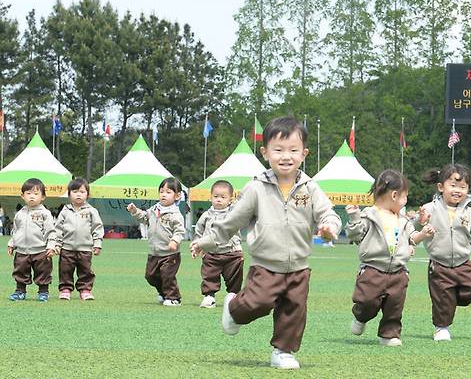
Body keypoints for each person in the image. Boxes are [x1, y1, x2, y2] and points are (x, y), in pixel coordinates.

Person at [190, 116, 341, 370]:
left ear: (304, 153)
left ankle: (283, 351)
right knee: (256, 304)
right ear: (265, 152)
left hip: (299, 267)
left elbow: (328, 214)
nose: (286, 156)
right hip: (265, 265)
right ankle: (234, 308)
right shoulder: (255, 188)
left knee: (294, 311)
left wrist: (329, 229)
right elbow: (231, 223)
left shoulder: (310, 188)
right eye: (278, 150)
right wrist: (205, 242)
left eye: (293, 150)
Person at [415, 164, 471, 341]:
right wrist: (421, 221)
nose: (457, 190)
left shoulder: (468, 212)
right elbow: (414, 227)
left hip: (463, 262)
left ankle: (450, 301)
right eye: (453, 186)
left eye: (463, 187)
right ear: (441, 187)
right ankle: (441, 328)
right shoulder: (430, 208)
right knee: (441, 298)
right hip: (439, 264)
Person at [345, 169, 435, 347]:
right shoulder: (368, 215)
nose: (405, 201)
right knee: (367, 301)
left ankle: (389, 334)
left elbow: (412, 238)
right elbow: (355, 236)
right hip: (372, 270)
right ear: (394, 195)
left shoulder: (402, 220)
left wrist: (423, 233)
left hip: (398, 271)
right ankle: (360, 316)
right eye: (405, 197)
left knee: (395, 305)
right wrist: (354, 217)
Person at [127, 177, 186, 307]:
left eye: (168, 192)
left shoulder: (175, 214)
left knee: (167, 275)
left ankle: (173, 298)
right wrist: (135, 211)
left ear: (177, 196)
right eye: (161, 191)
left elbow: (180, 230)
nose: (163, 194)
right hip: (154, 252)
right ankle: (163, 293)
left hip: (170, 254)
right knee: (150, 275)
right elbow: (143, 218)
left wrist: (174, 241)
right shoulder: (154, 210)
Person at [191, 180, 243, 309]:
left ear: (230, 199)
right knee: (209, 275)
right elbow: (199, 231)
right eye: (216, 196)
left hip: (232, 252)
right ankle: (209, 297)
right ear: (210, 197)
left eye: (223, 197)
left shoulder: (234, 213)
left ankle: (233, 296)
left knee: (234, 276)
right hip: (212, 253)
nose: (219, 200)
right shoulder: (206, 215)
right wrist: (198, 245)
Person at [7, 178, 57, 302]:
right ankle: (20, 291)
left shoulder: (45, 213)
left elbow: (51, 231)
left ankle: (43, 292)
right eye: (28, 193)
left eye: (36, 193)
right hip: (22, 250)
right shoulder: (20, 213)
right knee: (20, 271)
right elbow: (16, 230)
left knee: (43, 271)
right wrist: (11, 243)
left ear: (43, 196)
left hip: (40, 250)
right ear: (22, 196)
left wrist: (51, 246)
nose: (32, 197)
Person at [54, 178, 104, 301]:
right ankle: (65, 289)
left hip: (85, 248)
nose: (78, 194)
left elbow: (97, 228)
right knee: (65, 270)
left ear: (87, 194)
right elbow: (58, 229)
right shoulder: (65, 211)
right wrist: (57, 244)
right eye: (75, 191)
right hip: (67, 248)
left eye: (82, 192)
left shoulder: (92, 211)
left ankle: (85, 290)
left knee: (85, 270)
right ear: (69, 194)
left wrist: (97, 244)